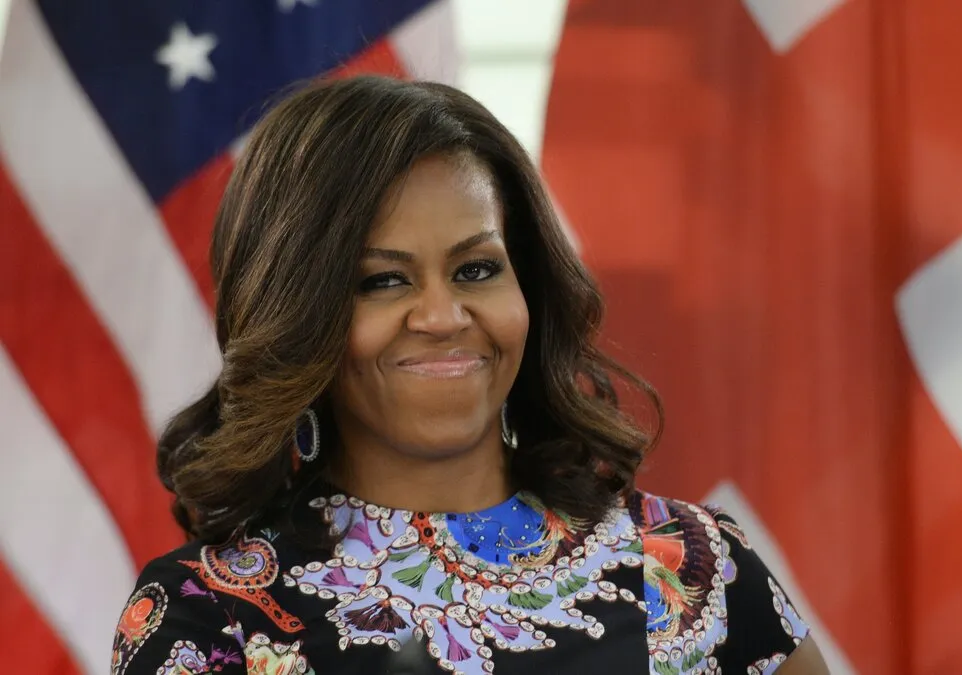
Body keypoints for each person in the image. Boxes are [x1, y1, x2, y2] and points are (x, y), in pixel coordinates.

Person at [110, 75, 830, 675]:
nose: (443, 313)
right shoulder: (206, 614)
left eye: (476, 269)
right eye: (382, 281)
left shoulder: (692, 565)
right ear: (298, 318)